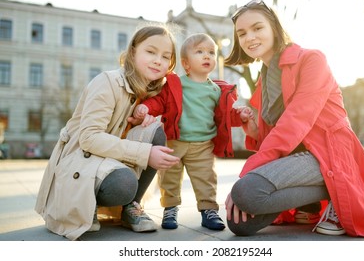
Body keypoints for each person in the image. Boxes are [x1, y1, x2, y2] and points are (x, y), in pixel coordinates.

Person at [224, 0, 364, 238]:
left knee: (246, 192)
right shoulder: (265, 80)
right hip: (298, 158)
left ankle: (338, 194)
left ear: (274, 28)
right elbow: (277, 138)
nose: (249, 37)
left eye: (257, 28)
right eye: (242, 33)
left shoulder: (311, 60)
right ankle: (312, 202)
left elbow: (296, 122)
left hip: (328, 153)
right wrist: (254, 132)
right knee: (239, 223)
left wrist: (247, 173)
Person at [34, 24, 180, 241]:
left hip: (107, 162)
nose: (158, 60)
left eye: (165, 56)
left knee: (155, 132)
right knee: (124, 183)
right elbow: (89, 138)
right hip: (80, 161)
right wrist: (145, 153)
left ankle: (131, 207)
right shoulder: (108, 82)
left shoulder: (152, 94)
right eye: (150, 52)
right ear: (132, 52)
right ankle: (82, 203)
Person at [133, 33, 254, 231]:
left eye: (211, 52)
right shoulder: (175, 85)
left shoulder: (216, 90)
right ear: (186, 63)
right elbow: (159, 102)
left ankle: (208, 211)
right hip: (175, 142)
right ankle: (170, 209)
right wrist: (146, 107)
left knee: (206, 178)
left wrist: (239, 116)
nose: (207, 56)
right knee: (169, 177)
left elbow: (224, 116)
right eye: (200, 52)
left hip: (203, 144)